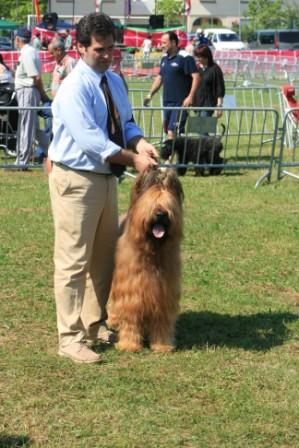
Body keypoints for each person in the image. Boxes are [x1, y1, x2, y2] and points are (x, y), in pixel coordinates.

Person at [48, 12, 158, 364]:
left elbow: (124, 122)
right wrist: (134, 161)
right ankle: (69, 338)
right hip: (76, 180)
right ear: (80, 47)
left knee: (102, 258)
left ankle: (93, 326)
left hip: (107, 179)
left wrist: (139, 143)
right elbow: (93, 142)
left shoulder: (114, 81)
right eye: (100, 49)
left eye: (112, 48)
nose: (108, 55)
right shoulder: (73, 89)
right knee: (72, 261)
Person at [143, 31, 199, 139]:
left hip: (180, 103)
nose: (161, 45)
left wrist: (190, 97)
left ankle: (170, 156)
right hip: (167, 102)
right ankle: (181, 153)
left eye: (164, 43)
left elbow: (196, 77)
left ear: (173, 43)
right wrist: (149, 95)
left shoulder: (185, 58)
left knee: (171, 131)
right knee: (168, 129)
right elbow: (160, 78)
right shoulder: (164, 59)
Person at [14, 27, 50, 166]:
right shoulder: (28, 51)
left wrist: (43, 95)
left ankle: (21, 162)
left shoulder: (28, 52)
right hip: (27, 90)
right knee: (33, 128)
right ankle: (54, 152)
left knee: (26, 126)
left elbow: (35, 76)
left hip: (27, 91)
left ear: (18, 39)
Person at [193, 45, 225, 118]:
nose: (198, 59)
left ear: (207, 56)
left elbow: (219, 88)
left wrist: (219, 105)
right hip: (196, 104)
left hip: (208, 105)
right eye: (197, 56)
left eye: (200, 56)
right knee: (197, 128)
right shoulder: (195, 68)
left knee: (203, 128)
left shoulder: (215, 69)